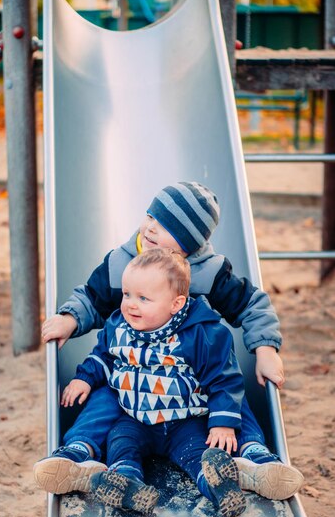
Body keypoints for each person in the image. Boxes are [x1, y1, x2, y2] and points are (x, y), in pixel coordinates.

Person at [34, 181, 303, 500]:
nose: (150, 228)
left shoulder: (209, 274)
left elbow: (251, 305)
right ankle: (78, 452)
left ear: (187, 246)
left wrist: (265, 349)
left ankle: (254, 456)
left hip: (188, 390)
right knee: (103, 395)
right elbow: (93, 299)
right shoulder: (123, 264)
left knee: (228, 387)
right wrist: (71, 318)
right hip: (133, 388)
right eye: (150, 216)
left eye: (165, 227)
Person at [52, 249, 249, 517]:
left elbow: (223, 377)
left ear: (176, 304)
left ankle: (219, 487)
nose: (131, 304)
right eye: (127, 294)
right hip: (135, 418)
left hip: (183, 420)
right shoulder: (118, 325)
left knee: (197, 453)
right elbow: (104, 355)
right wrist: (84, 378)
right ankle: (127, 485)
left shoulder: (199, 333)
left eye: (143, 298)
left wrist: (223, 422)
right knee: (120, 443)